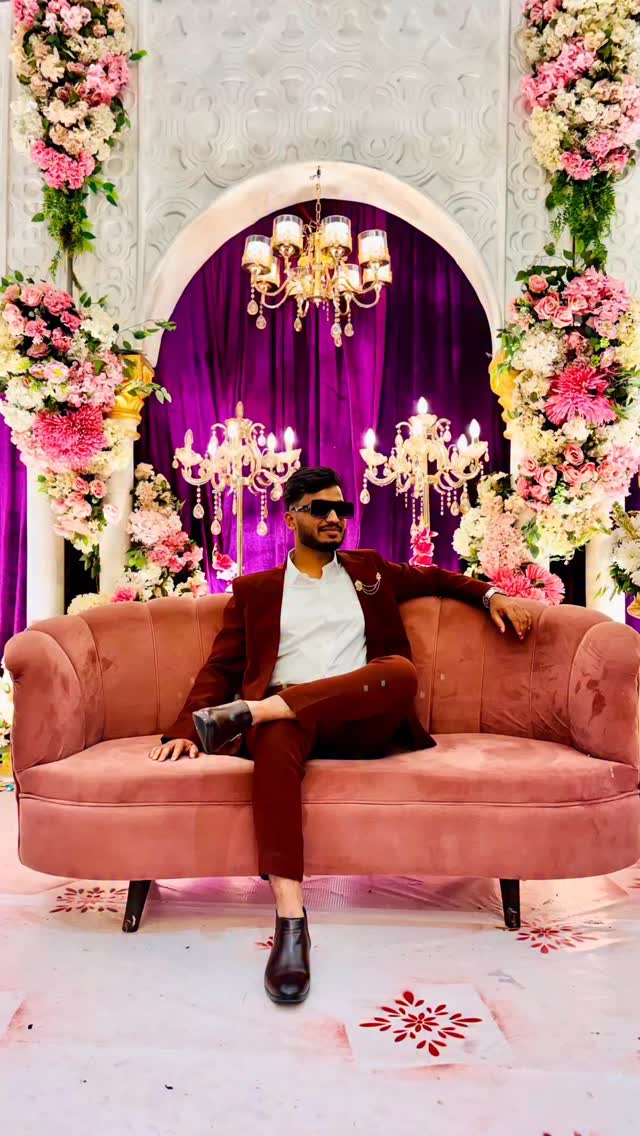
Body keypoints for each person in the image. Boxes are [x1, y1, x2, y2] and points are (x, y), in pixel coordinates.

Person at [149, 466, 532, 1004]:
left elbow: (440, 580)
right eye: (320, 509)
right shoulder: (256, 590)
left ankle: (253, 713)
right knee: (275, 740)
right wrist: (183, 729)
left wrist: (492, 596)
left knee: (399, 671)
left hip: (361, 720)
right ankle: (290, 923)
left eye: (341, 509)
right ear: (291, 518)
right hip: (291, 724)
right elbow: (222, 665)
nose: (334, 518)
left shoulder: (368, 570)